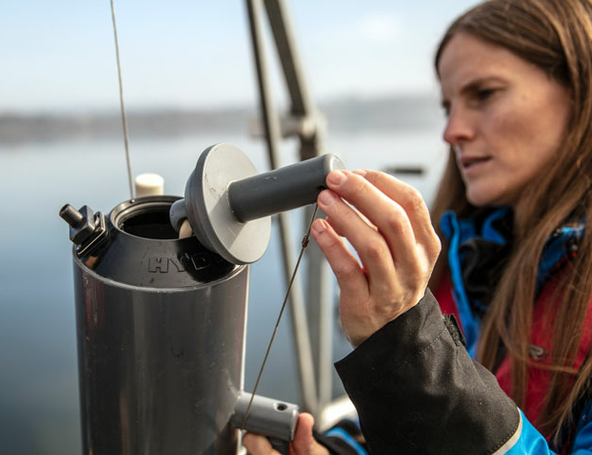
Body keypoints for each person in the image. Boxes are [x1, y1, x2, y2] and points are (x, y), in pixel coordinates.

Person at [243, 0, 592, 453]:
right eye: (448, 105)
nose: (451, 130)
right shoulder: (466, 259)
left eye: (484, 94)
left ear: (580, 89)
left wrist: (409, 350)